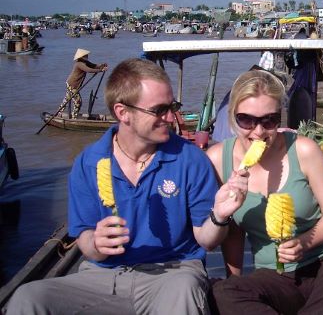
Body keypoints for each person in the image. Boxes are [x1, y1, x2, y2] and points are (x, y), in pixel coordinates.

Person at [6, 58, 242, 315]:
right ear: (123, 112)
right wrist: (96, 243)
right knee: (28, 297)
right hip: (102, 276)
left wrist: (218, 217)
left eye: (173, 106)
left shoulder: (190, 159)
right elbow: (83, 236)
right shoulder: (90, 162)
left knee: (184, 288)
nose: (171, 117)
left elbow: (206, 242)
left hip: (173, 274)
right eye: (159, 109)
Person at [207, 70, 323, 314]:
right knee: (221, 292)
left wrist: (303, 243)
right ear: (232, 117)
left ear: (281, 116)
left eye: (269, 120)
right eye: (246, 120)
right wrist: (235, 282)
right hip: (276, 276)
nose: (258, 132)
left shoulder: (303, 150)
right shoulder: (217, 160)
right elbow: (233, 234)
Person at [59, 48, 108, 119]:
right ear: (82, 57)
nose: (87, 56)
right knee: (78, 102)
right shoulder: (79, 64)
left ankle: (59, 113)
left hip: (72, 84)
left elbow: (94, 66)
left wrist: (102, 65)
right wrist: (101, 70)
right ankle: (74, 117)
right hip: (72, 85)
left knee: (67, 99)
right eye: (86, 55)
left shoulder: (85, 63)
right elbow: (89, 70)